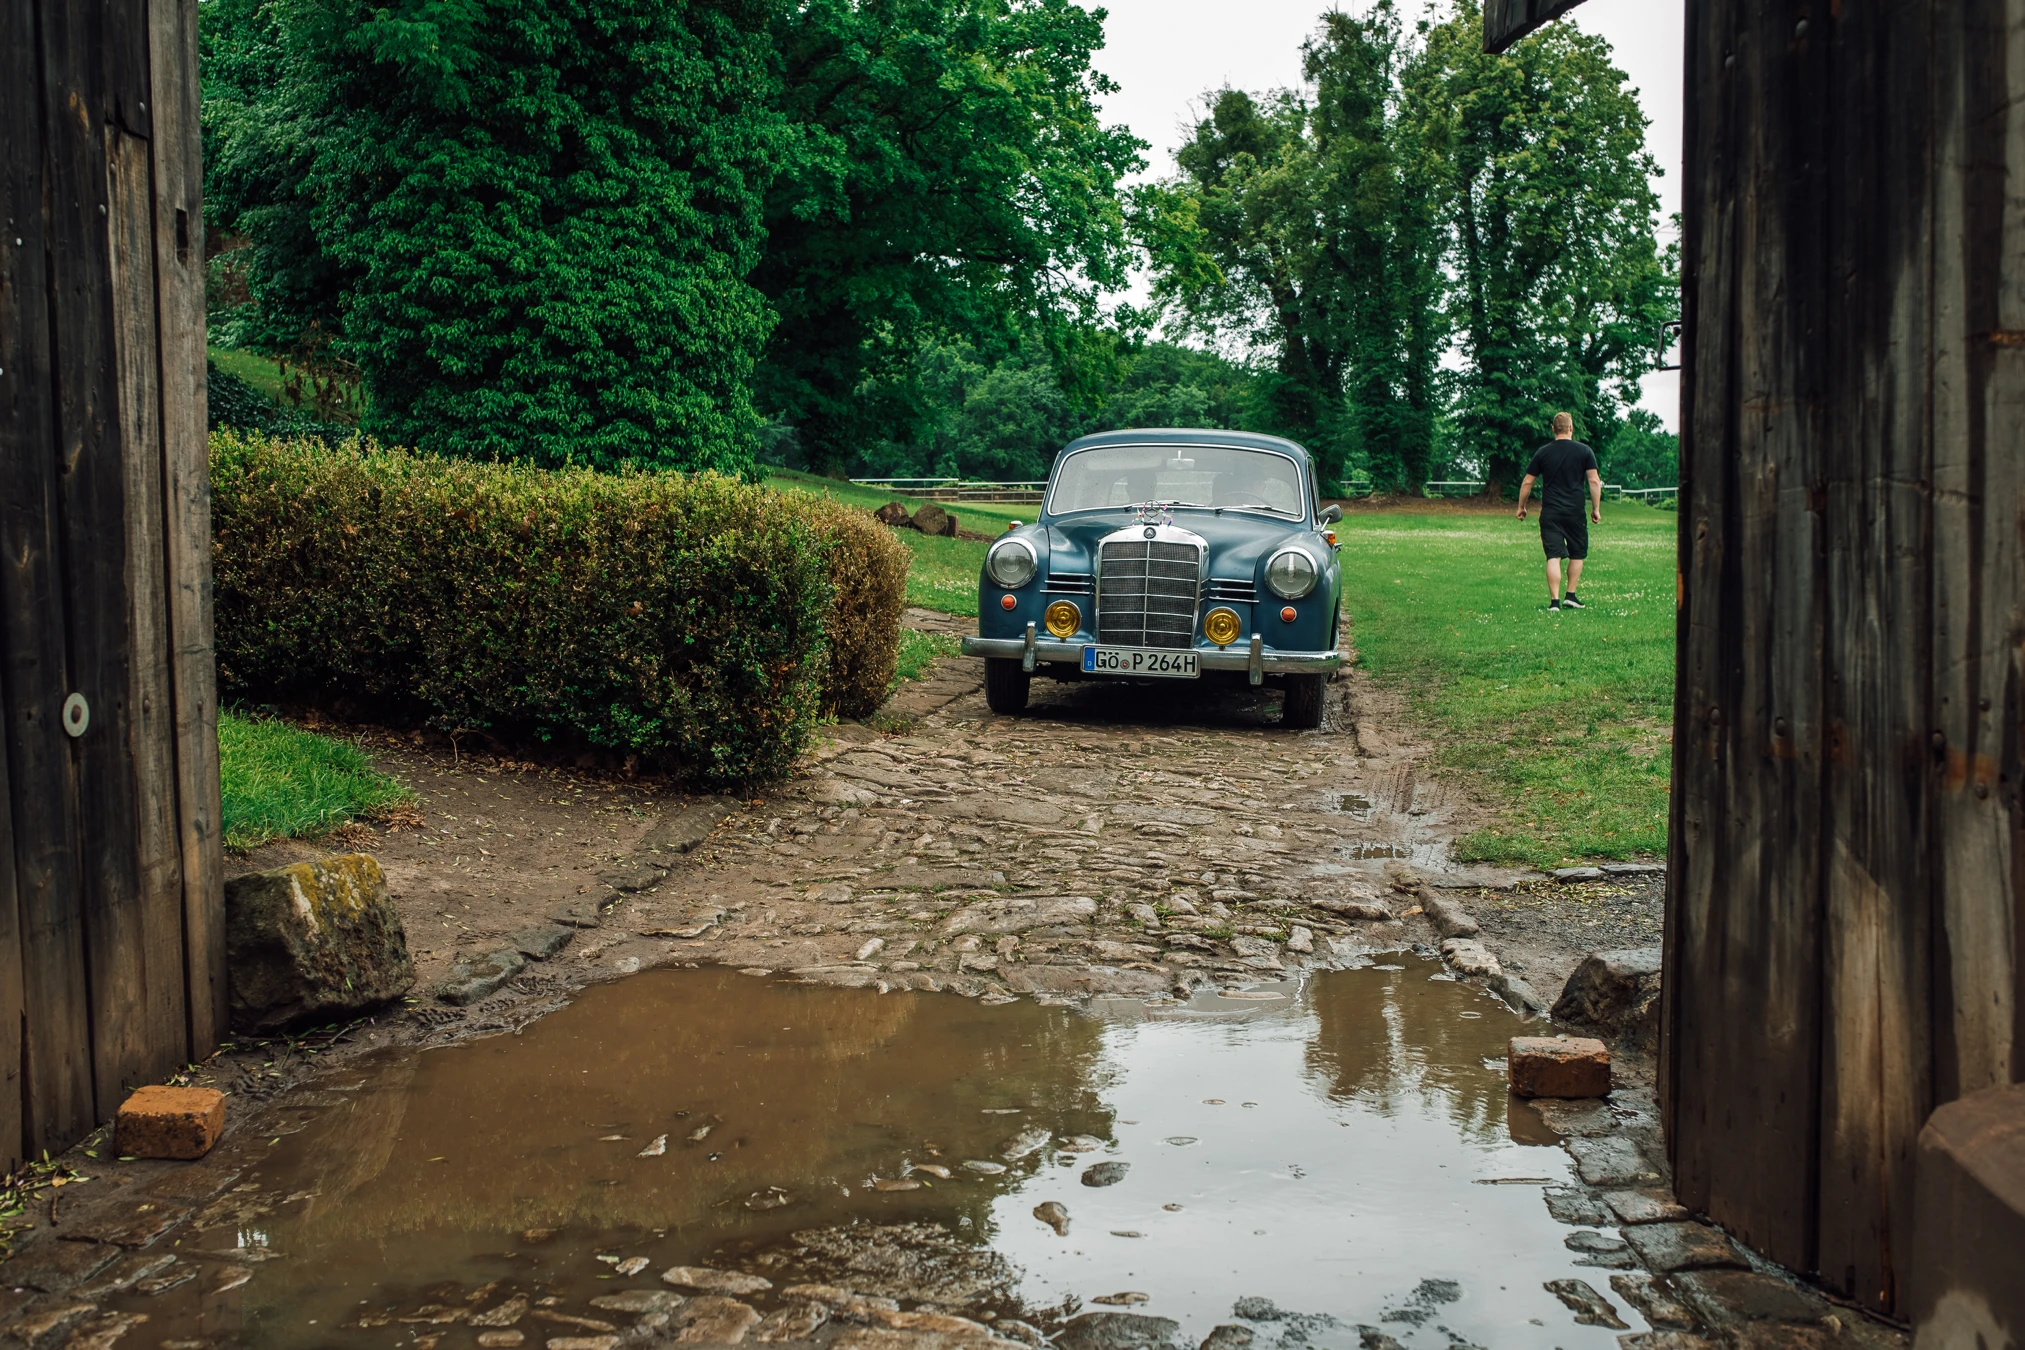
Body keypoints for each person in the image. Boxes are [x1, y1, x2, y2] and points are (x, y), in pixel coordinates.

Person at [1514, 412, 1602, 612]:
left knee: (1553, 555)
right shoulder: (1585, 451)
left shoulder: (1543, 452)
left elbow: (1528, 481)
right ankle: (1570, 596)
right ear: (1571, 428)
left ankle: (1554, 602)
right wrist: (1596, 508)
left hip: (1551, 512)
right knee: (1577, 553)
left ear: (1553, 429)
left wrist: (1521, 506)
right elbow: (1594, 481)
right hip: (1575, 512)